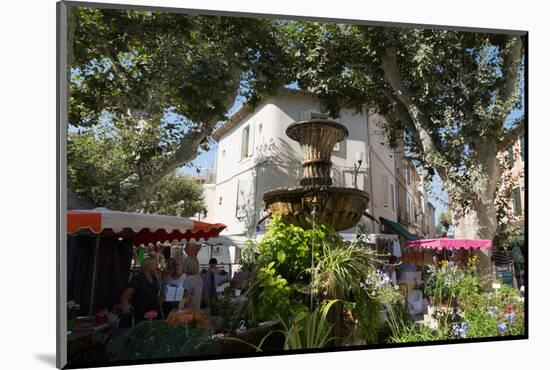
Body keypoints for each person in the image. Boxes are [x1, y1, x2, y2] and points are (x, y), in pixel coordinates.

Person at [120, 257, 161, 324]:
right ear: (147, 266)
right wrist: (125, 305)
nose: (156, 265)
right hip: (141, 313)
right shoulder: (138, 278)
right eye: (154, 264)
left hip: (154, 312)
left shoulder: (154, 278)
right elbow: (126, 294)